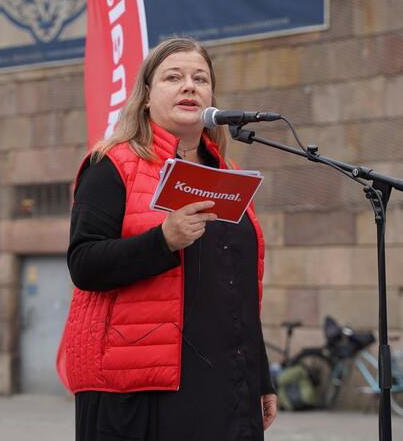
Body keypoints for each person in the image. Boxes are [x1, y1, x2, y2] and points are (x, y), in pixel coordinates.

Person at [57, 37, 277, 441]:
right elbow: (83, 264)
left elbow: (238, 288)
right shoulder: (113, 164)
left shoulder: (228, 175)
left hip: (225, 384)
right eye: (173, 77)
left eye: (200, 79)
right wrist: (162, 241)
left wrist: (260, 376)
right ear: (145, 97)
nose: (189, 86)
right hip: (143, 390)